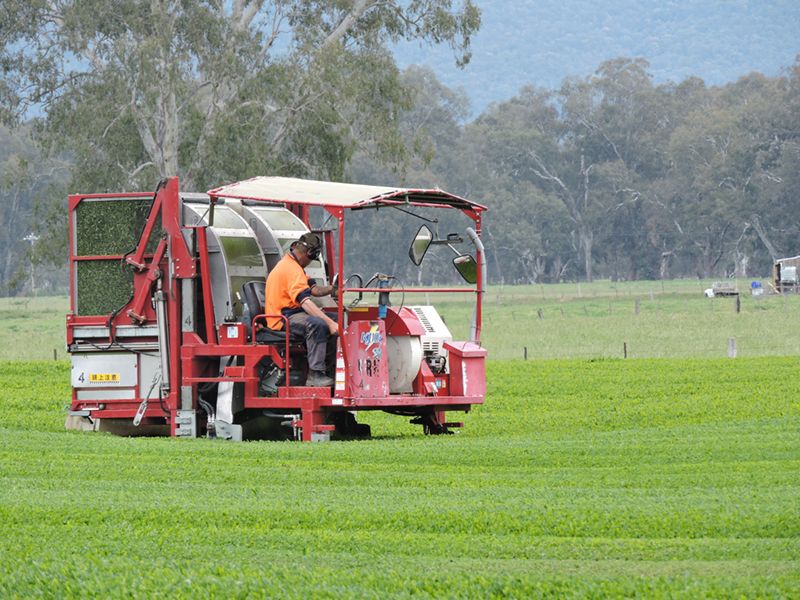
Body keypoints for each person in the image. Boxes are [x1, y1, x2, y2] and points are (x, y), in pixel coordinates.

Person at [261, 232, 338, 387]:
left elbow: (313, 290)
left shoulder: (295, 266)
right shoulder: (291, 269)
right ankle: (315, 375)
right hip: (282, 318)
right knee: (318, 324)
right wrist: (329, 323)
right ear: (309, 254)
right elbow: (305, 302)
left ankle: (330, 372)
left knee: (336, 318)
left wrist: (332, 289)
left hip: (293, 314)